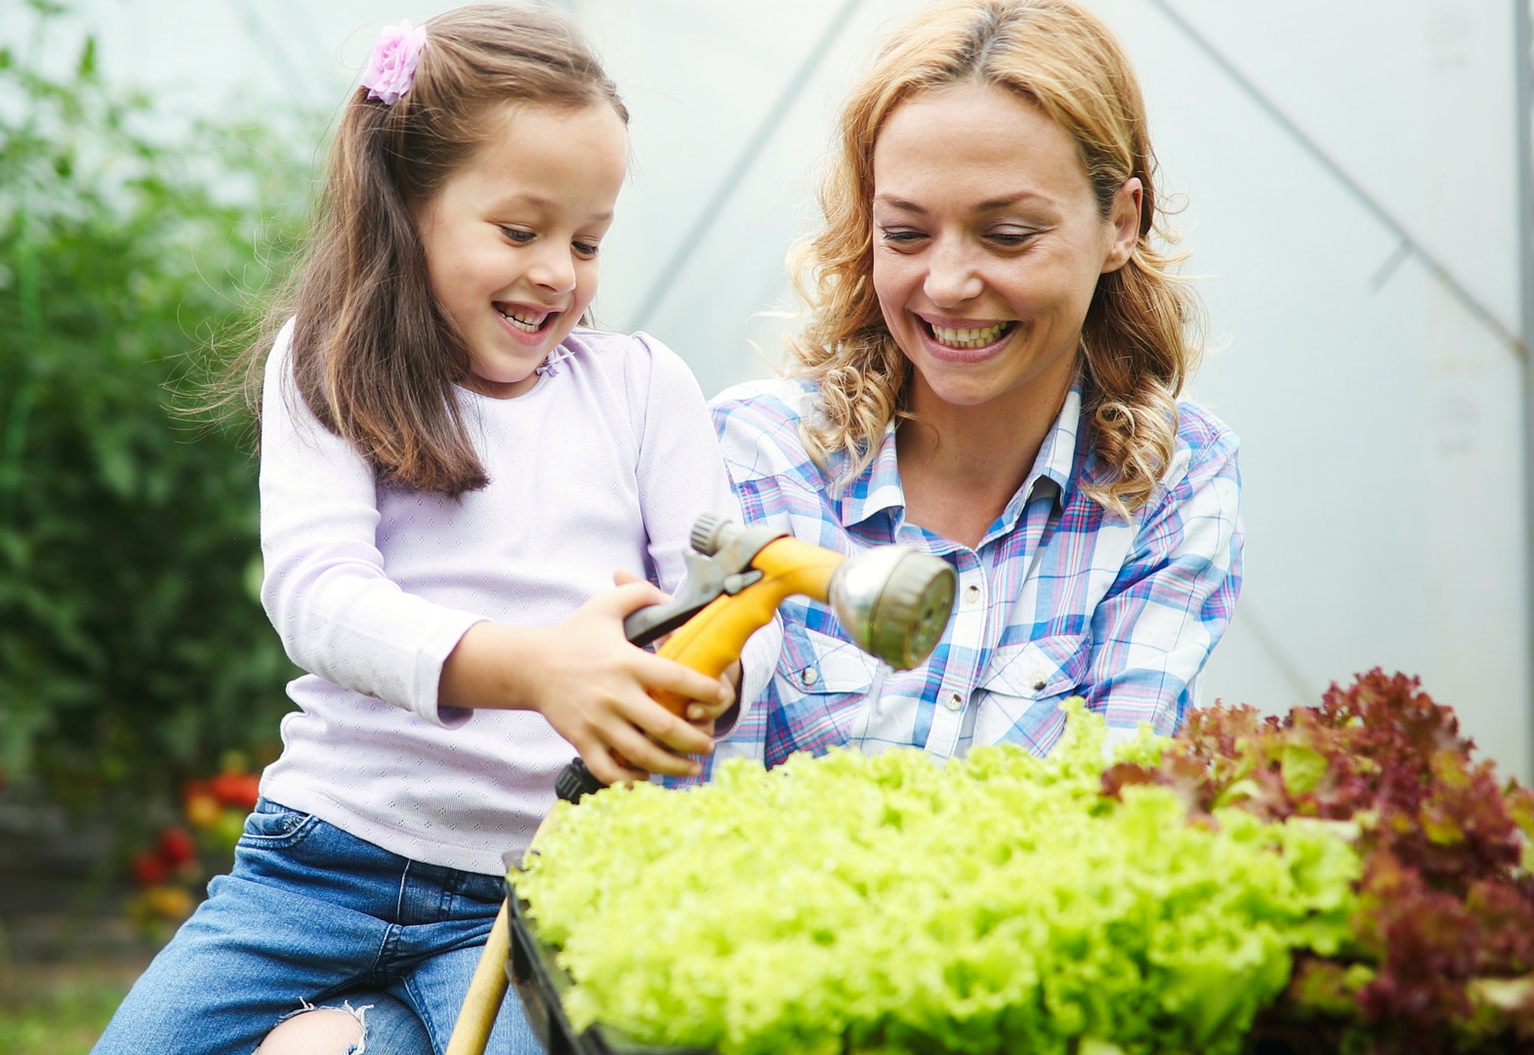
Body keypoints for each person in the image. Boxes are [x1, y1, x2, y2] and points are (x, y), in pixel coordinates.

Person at [91, 6, 755, 1054]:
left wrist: (702, 680)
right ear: (408, 207)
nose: (557, 272)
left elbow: (714, 598)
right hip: (317, 865)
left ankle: (355, 1033)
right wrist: (536, 669)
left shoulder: (643, 389)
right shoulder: (327, 362)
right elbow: (321, 599)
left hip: (531, 883)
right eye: (518, 230)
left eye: (587, 240)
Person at [703, 0, 1244, 775]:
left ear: (1121, 223)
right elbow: (699, 802)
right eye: (906, 234)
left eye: (1008, 235)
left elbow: (1117, 802)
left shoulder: (1174, 480)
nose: (948, 283)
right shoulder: (754, 451)